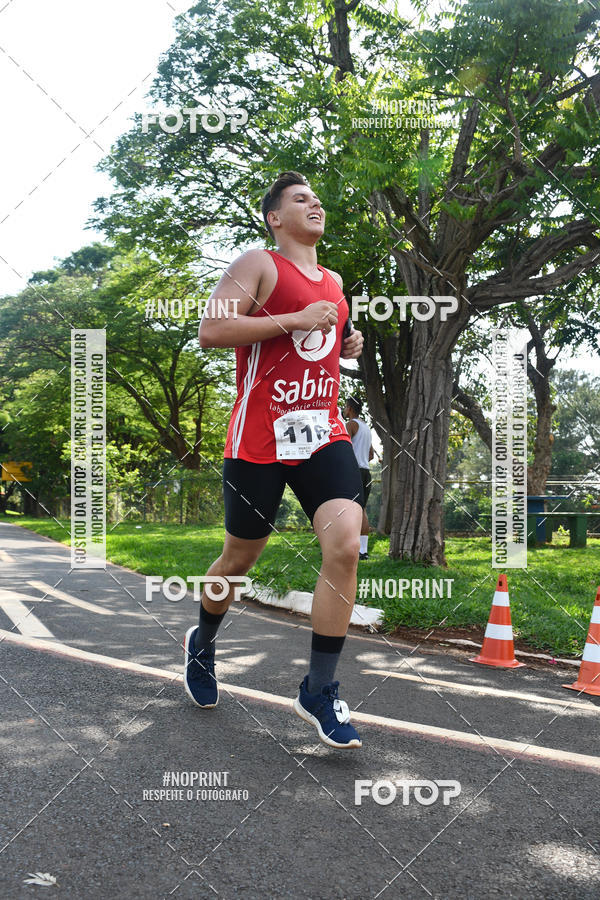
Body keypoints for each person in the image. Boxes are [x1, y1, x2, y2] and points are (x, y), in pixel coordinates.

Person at [184, 171, 365, 749]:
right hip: (259, 440)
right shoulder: (257, 262)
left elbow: (318, 339)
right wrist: (294, 320)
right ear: (275, 218)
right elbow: (212, 330)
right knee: (239, 559)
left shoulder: (334, 280)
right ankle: (204, 641)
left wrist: (346, 341)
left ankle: (319, 687)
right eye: (299, 199)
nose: (314, 203)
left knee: (344, 544)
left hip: (323, 434)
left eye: (317, 196)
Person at [343, 397, 373, 559]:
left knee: (343, 509)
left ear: (349, 408)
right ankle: (363, 551)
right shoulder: (366, 427)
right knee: (361, 510)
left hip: (353, 471)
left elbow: (344, 447)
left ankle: (343, 546)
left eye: (345, 407)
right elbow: (371, 454)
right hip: (366, 472)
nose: (344, 409)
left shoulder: (351, 425)